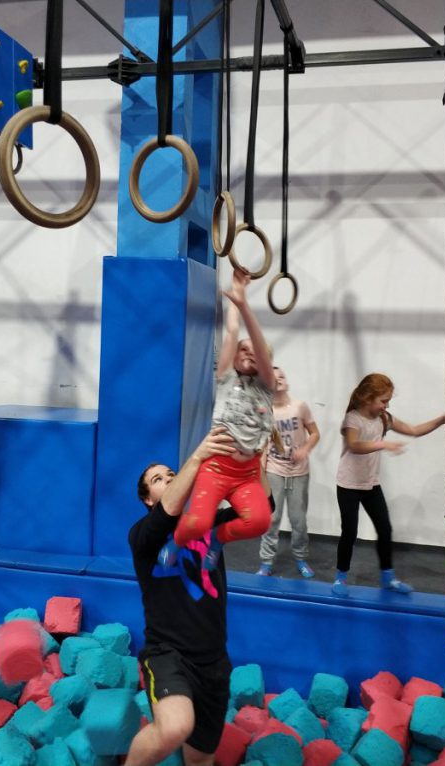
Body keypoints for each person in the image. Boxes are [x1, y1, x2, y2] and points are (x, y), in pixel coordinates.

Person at [126, 427, 238, 766]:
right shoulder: (143, 536)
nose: (169, 479)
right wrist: (199, 455)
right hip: (168, 654)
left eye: (171, 474)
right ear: (148, 499)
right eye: (158, 479)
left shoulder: (210, 524)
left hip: (214, 661)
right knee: (175, 727)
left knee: (200, 757)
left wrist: (253, 458)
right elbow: (167, 511)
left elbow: (263, 505)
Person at [159, 268, 275, 570]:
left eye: (255, 351)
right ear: (234, 357)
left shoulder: (267, 387)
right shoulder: (225, 378)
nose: (249, 352)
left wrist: (243, 304)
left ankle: (218, 539)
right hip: (216, 467)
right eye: (243, 350)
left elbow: (258, 345)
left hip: (247, 473)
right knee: (197, 522)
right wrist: (235, 299)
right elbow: (232, 334)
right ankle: (178, 540)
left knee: (260, 520)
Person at [333, 373, 445, 595]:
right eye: (383, 400)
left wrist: (440, 420)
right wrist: (383, 444)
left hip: (370, 484)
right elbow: (354, 445)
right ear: (367, 398)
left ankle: (387, 577)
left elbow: (414, 431)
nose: (386, 405)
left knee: (385, 529)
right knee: (349, 532)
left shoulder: (384, 418)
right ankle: (341, 577)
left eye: (388, 401)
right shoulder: (353, 419)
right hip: (348, 485)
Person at [257, 367, 320, 578]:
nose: (279, 380)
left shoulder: (300, 407)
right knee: (271, 519)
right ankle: (266, 562)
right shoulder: (265, 412)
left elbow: (315, 433)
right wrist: (261, 473)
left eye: (282, 376)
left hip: (299, 472)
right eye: (273, 378)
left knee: (298, 520)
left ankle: (300, 558)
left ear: (287, 382)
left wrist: (305, 449)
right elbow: (264, 444)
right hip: (274, 470)